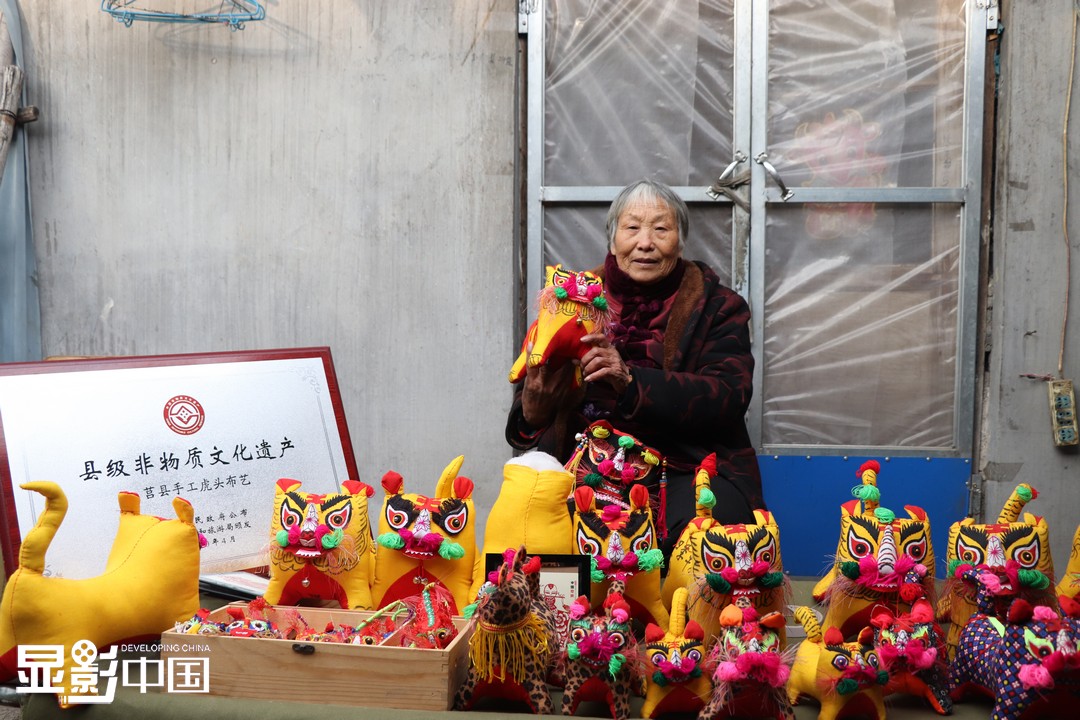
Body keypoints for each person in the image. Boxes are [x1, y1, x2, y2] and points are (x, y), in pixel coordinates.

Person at [505, 178, 763, 556]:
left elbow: (728, 396)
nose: (645, 242)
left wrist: (630, 381)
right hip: (581, 462)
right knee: (525, 520)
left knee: (711, 533)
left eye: (661, 229)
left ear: (680, 241)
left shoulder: (718, 307)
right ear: (612, 240)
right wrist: (533, 406)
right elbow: (527, 416)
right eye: (632, 228)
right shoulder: (571, 301)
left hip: (682, 466)